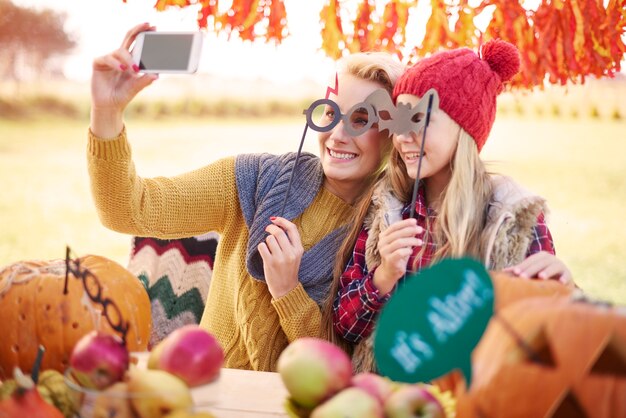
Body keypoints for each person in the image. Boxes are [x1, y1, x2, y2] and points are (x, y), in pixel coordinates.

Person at [87, 23, 405, 371]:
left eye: (361, 119)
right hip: (206, 388)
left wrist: (287, 291)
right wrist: (106, 112)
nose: (337, 133)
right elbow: (128, 209)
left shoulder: (381, 237)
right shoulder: (252, 180)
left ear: (391, 136)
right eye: (330, 113)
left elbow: (338, 365)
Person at [321, 39, 573, 372]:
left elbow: (548, 346)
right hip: (389, 399)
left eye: (420, 120)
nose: (403, 136)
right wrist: (382, 277)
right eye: (400, 120)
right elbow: (347, 326)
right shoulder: (387, 208)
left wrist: (565, 290)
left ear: (465, 129)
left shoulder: (513, 218)